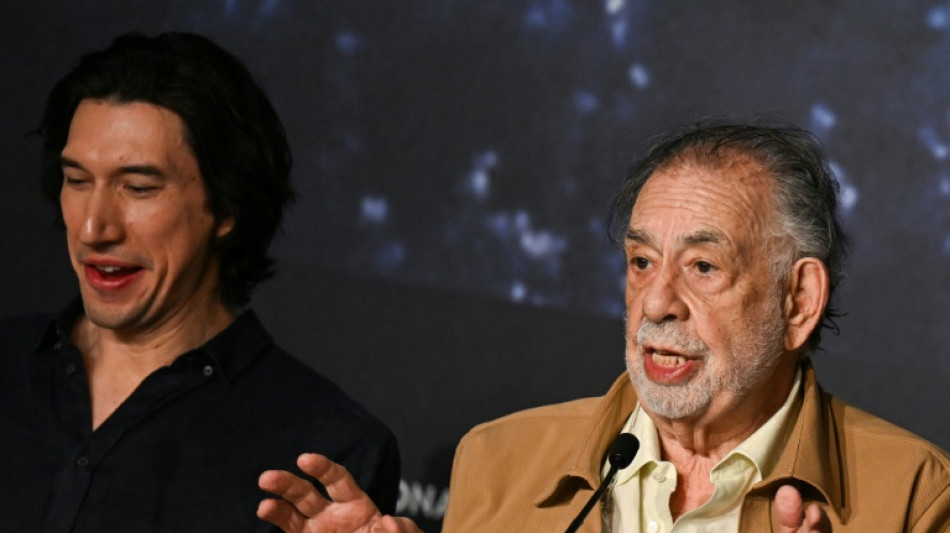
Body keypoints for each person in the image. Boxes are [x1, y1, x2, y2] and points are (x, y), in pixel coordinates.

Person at [258, 122, 950, 532]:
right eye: (642, 262)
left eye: (703, 266)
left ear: (798, 300)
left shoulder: (916, 497)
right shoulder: (498, 461)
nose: (657, 303)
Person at [0, 32, 399, 532]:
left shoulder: (327, 453)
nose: (93, 228)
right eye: (77, 181)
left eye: (138, 188)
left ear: (227, 206)